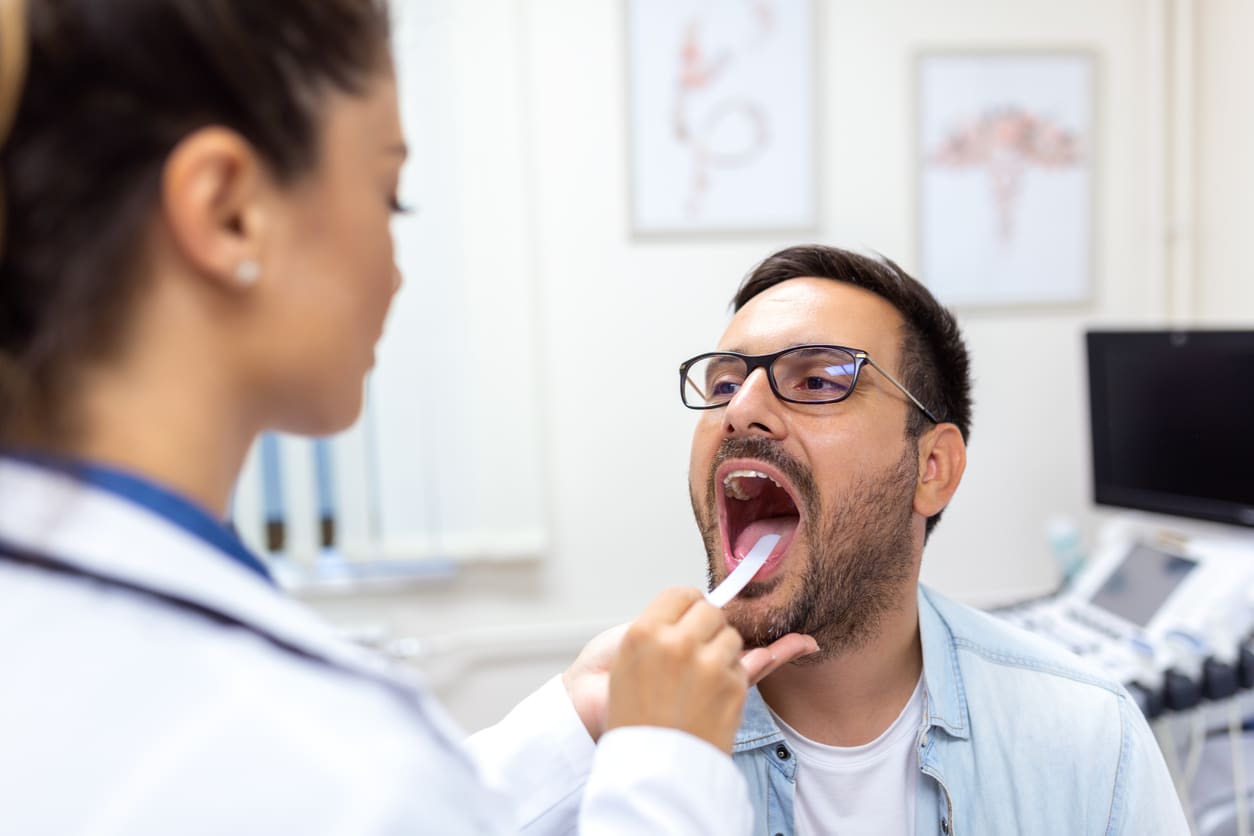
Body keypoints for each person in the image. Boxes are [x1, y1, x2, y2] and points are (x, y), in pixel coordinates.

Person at [0, 2, 814, 833]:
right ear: (227, 209)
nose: (394, 273)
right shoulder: (302, 748)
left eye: (819, 380)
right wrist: (669, 764)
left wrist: (579, 723)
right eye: (390, 194)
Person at [676, 244, 1189, 835]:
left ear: (933, 468)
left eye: (817, 381)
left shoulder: (1091, 739)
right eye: (722, 387)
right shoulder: (622, 747)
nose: (741, 410)